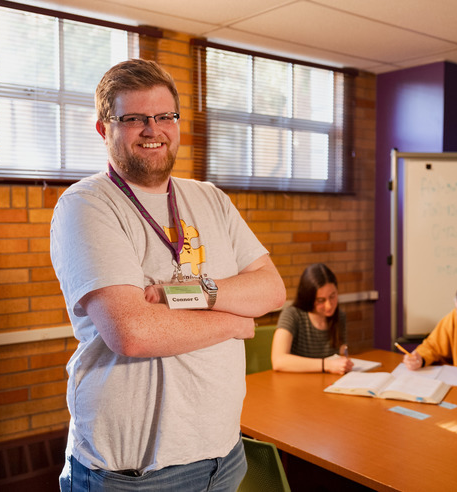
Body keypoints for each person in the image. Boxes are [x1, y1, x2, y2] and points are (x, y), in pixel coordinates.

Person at [50, 59, 286, 491]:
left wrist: (193, 292)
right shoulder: (87, 205)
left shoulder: (210, 198)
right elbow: (133, 332)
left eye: (164, 116)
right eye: (134, 118)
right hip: (136, 475)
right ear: (105, 129)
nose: (152, 129)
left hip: (224, 455)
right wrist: (234, 319)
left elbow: (271, 290)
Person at [271, 263, 353, 374]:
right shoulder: (292, 315)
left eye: (332, 296)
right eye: (321, 300)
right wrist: (327, 365)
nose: (329, 305)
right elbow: (278, 361)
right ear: (308, 298)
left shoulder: (339, 316)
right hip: (297, 384)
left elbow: (342, 353)